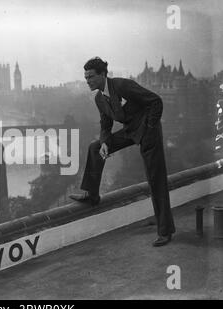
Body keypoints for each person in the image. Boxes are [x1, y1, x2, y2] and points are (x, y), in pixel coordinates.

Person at [69, 57, 176, 247]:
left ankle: (165, 231)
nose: (88, 81)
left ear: (103, 75)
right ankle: (92, 195)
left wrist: (150, 129)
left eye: (91, 77)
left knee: (155, 179)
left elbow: (156, 102)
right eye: (85, 78)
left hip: (147, 130)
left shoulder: (122, 85)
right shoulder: (99, 98)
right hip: (129, 131)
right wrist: (104, 142)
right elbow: (105, 124)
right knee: (95, 147)